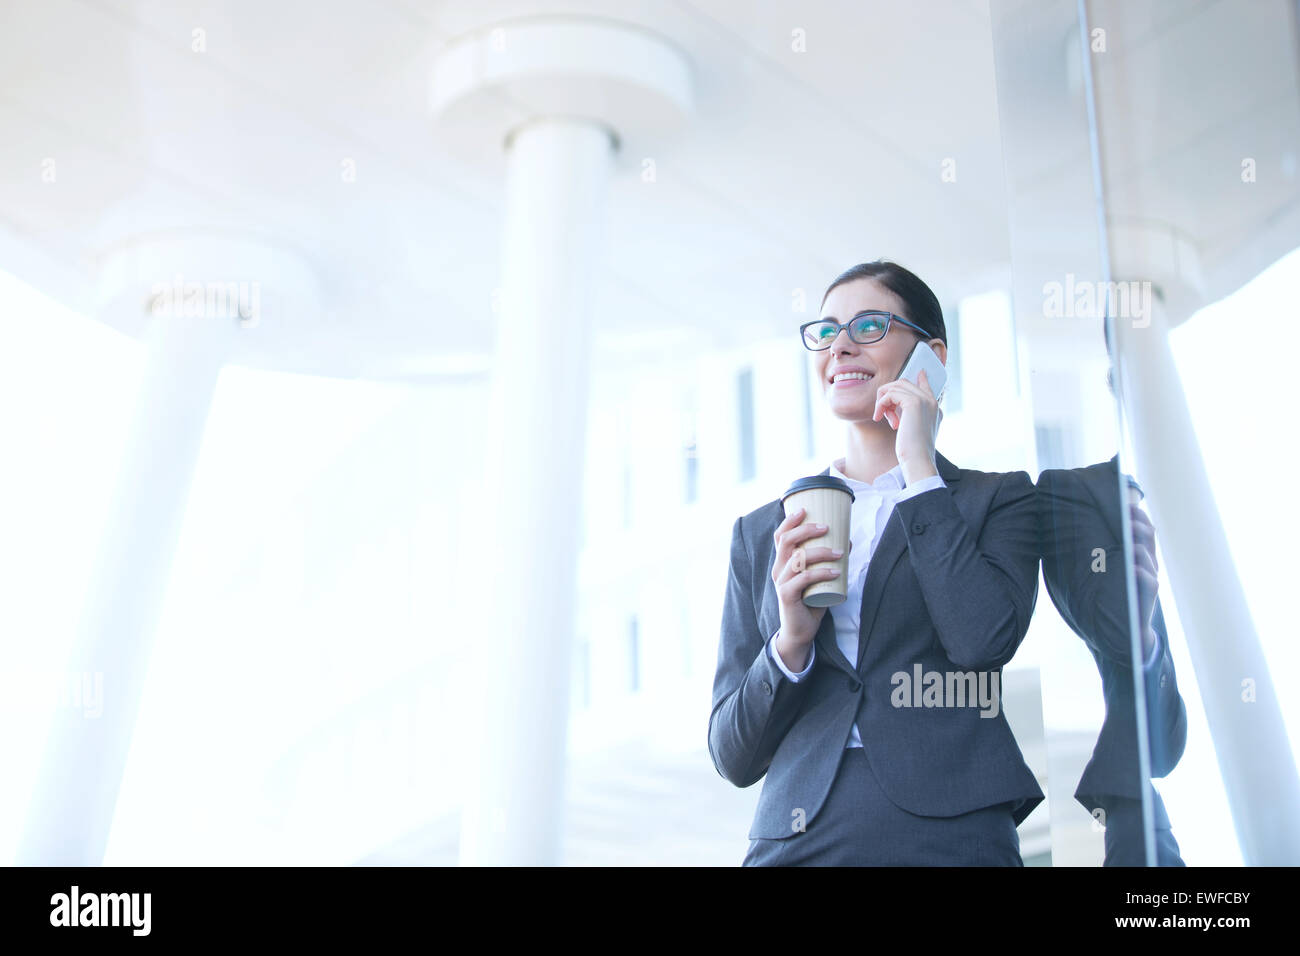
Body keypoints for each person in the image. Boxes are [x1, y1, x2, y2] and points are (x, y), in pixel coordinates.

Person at [708, 260, 1043, 865]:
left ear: (931, 355)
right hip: (798, 837)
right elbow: (733, 754)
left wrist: (920, 470)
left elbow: (982, 638)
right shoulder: (762, 532)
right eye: (827, 330)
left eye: (868, 325)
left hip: (953, 829)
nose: (839, 346)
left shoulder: (995, 499)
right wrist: (791, 643)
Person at [1036, 458, 1188, 866]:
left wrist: (1146, 645)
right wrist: (1140, 640)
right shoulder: (1074, 489)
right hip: (1129, 805)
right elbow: (1117, 628)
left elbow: (1166, 747)